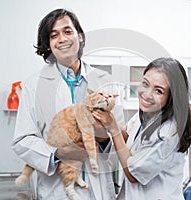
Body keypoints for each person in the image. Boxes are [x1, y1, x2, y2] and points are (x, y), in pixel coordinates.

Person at [12, 8, 123, 200]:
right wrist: (58, 153)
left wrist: (104, 140)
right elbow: (22, 140)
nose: (62, 39)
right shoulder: (34, 85)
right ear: (48, 45)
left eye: (68, 31)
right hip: (57, 191)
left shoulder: (105, 80)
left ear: (79, 37)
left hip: (99, 190)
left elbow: (119, 133)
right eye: (54, 35)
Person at [92, 57, 191, 200]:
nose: (147, 94)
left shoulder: (168, 132)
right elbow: (128, 135)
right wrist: (104, 116)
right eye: (145, 84)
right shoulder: (148, 114)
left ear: (172, 97)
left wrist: (113, 128)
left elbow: (133, 174)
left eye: (158, 91)